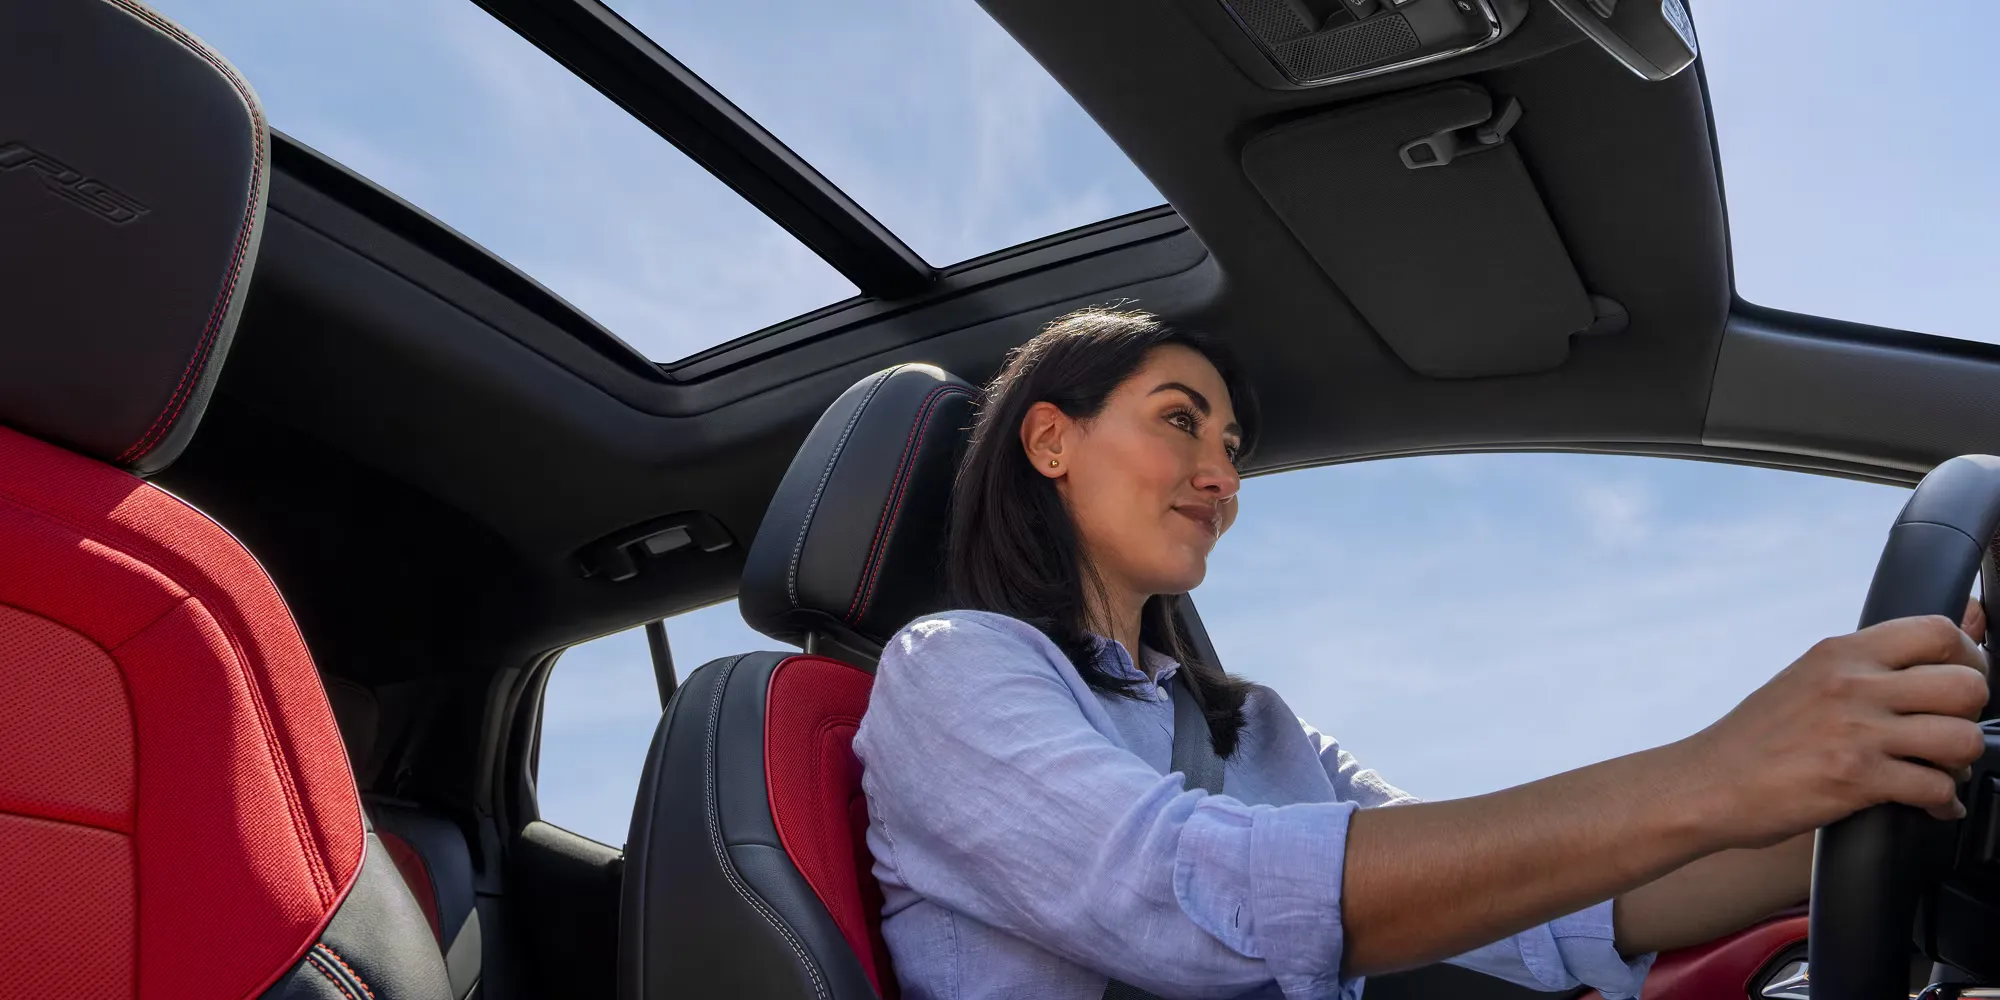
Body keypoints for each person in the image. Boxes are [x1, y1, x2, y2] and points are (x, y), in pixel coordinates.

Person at [848, 307, 1991, 1000]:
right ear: (1050, 437)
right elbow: (1182, 897)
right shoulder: (951, 668)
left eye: (1231, 445)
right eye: (1178, 418)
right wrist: (1715, 767)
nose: (1221, 475)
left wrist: (1867, 786)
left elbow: (1534, 911)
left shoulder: (1263, 733)